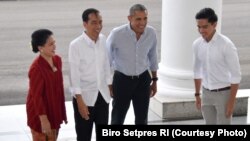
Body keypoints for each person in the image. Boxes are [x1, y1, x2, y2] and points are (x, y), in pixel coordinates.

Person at [106, 4, 159, 125]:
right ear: (129, 18)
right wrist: (108, 83)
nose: (143, 23)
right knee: (117, 118)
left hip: (143, 80)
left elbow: (153, 57)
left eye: (145, 18)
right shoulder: (117, 34)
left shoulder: (151, 33)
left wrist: (154, 80)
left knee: (142, 119)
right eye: (138, 19)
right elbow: (106, 60)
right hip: (122, 81)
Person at [68, 8, 112, 141]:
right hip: (85, 98)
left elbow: (106, 64)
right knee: (83, 136)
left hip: (103, 96)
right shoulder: (75, 45)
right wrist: (80, 101)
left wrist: (109, 85)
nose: (98, 26)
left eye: (100, 22)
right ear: (85, 24)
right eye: (94, 22)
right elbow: (73, 75)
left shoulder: (103, 39)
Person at [193, 8, 241, 124]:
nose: (201, 30)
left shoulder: (226, 45)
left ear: (214, 24)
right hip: (206, 94)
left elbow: (236, 76)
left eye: (205, 27)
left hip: (223, 95)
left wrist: (231, 103)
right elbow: (197, 71)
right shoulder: (197, 44)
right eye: (199, 27)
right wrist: (197, 95)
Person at [26, 29, 67, 141]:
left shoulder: (57, 60)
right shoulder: (36, 69)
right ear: (40, 48)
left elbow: (59, 88)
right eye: (50, 44)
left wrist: (61, 112)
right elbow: (36, 97)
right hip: (40, 114)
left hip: (54, 110)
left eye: (54, 43)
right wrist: (44, 120)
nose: (54, 46)